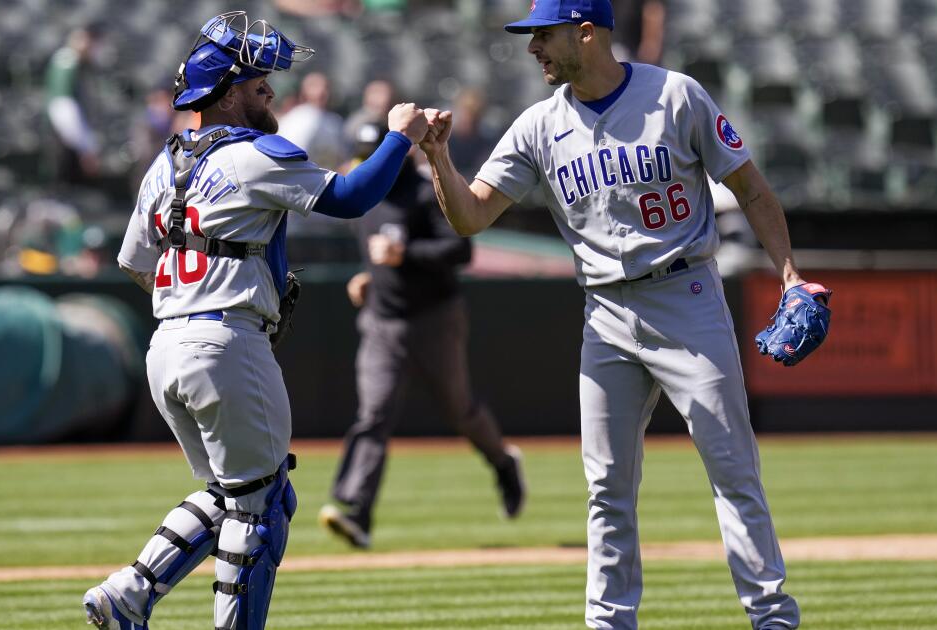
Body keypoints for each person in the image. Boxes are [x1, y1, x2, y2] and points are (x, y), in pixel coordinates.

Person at [416, 1, 820, 628]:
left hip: (686, 298)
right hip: (604, 311)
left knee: (733, 470)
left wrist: (789, 275)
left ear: (586, 31)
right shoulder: (537, 127)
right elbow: (470, 217)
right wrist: (439, 158)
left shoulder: (675, 95)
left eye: (543, 36)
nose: (532, 50)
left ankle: (772, 618)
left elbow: (751, 188)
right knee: (607, 489)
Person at [84, 11, 428, 630]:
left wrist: (189, 297)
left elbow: (134, 261)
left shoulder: (162, 168)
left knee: (233, 494)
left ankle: (130, 591)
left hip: (168, 343)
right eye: (256, 80)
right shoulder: (255, 154)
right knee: (261, 512)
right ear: (226, 90)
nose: (269, 87)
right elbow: (349, 199)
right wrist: (398, 136)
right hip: (225, 338)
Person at [318, 122, 526, 549]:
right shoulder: (364, 192)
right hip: (382, 321)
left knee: (460, 410)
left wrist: (404, 255)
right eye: (362, 157)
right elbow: (376, 254)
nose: (366, 164)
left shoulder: (424, 191)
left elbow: (462, 250)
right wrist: (369, 276)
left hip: (434, 318)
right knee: (374, 414)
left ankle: (503, 463)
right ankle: (357, 512)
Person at [44, 24, 104, 185]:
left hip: (75, 139)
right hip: (68, 141)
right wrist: (87, 148)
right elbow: (63, 108)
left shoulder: (83, 65)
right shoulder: (67, 61)